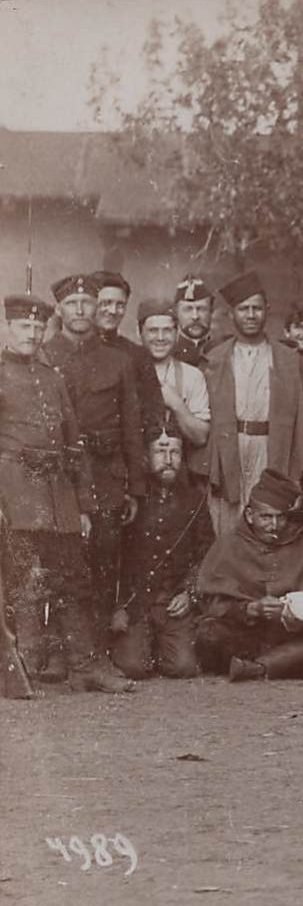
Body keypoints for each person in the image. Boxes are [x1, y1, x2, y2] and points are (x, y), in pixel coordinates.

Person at [1, 292, 130, 692]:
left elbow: (74, 446)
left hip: (59, 497)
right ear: (7, 328)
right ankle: (23, 668)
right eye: (25, 326)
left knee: (74, 580)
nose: (33, 333)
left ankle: (86, 665)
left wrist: (85, 506)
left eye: (39, 326)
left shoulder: (52, 377)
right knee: (25, 581)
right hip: (15, 494)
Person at [42, 272, 150, 667]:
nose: (81, 310)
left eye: (88, 303)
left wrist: (134, 488)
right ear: (60, 309)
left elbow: (133, 429)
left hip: (106, 474)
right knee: (61, 563)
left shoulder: (119, 361)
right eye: (72, 303)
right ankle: (59, 652)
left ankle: (98, 653)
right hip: (60, 477)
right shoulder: (44, 355)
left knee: (104, 562)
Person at [201, 270, 303, 538]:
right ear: (231, 314)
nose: (251, 315)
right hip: (231, 449)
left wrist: (295, 475)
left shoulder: (289, 360)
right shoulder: (216, 360)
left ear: (267, 311)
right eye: (243, 309)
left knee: (271, 524)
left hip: (272, 448)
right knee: (229, 528)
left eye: (256, 308)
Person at [194, 469, 303, 682]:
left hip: (293, 633)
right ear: (250, 515)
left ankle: (257, 668)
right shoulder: (228, 544)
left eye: (280, 517)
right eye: (266, 517)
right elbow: (211, 603)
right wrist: (250, 609)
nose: (274, 526)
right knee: (209, 634)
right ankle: (290, 666)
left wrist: (295, 614)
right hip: (249, 635)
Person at [110, 433, 213, 680]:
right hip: (136, 604)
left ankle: (162, 643)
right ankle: (143, 644)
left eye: (175, 452)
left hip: (173, 603)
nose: (168, 459)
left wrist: (189, 593)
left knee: (183, 668)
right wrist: (117, 606)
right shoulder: (131, 501)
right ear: (146, 457)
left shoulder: (194, 500)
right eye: (160, 452)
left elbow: (207, 551)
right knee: (134, 667)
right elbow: (112, 558)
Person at [137, 298, 211, 476]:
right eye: (153, 331)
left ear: (177, 333)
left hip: (181, 475)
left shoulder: (192, 376)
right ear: (139, 333)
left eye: (167, 330)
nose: (160, 338)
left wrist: (176, 403)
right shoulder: (127, 373)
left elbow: (200, 436)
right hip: (138, 474)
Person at [91, 270, 165, 441]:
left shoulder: (137, 356)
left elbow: (154, 412)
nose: (113, 311)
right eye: (105, 303)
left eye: (120, 305)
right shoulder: (74, 350)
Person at [173, 273, 218, 368]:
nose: (195, 316)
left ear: (211, 311)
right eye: (188, 309)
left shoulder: (223, 351)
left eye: (201, 309)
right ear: (176, 313)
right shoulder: (168, 355)